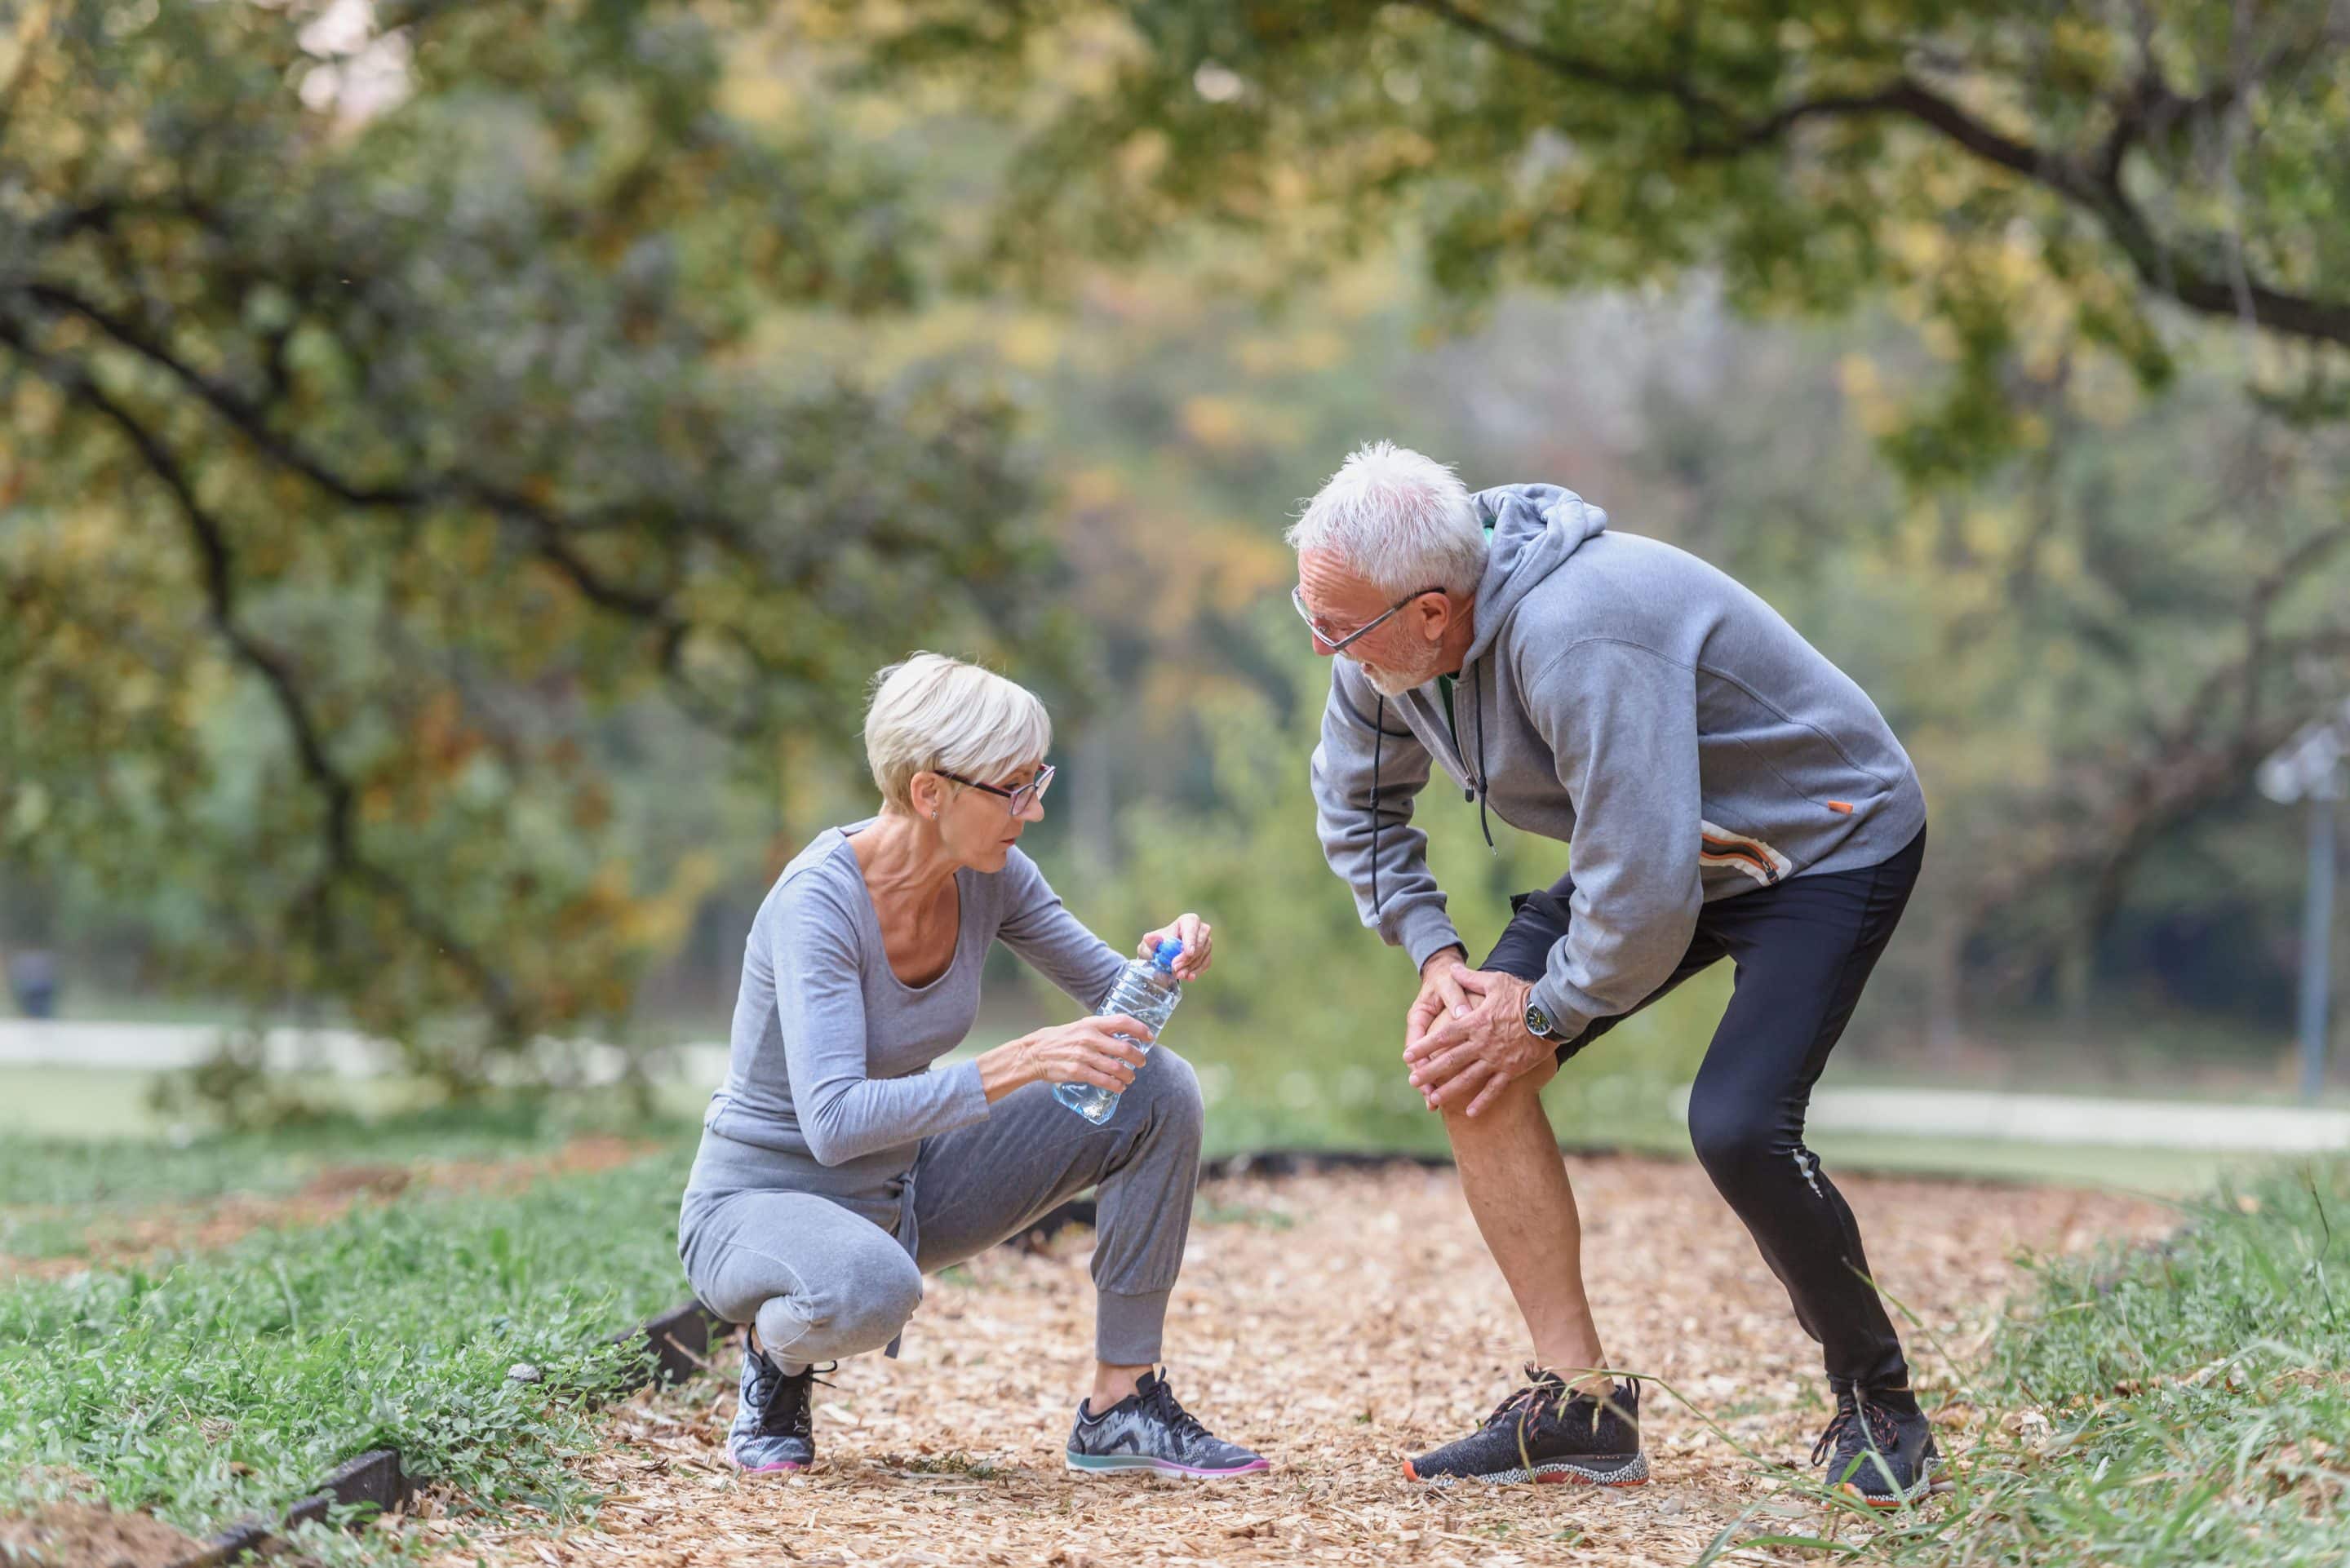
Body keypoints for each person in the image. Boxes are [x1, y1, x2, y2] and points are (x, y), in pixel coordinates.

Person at [1295, 443, 1939, 1504]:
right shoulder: (1376, 650)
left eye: (1340, 625)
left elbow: (1640, 891)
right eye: (1310, 613)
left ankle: (1882, 1406)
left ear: (1430, 612)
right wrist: (1440, 960)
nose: (1323, 644)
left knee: (1738, 1125)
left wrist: (1541, 1012)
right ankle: (1581, 1406)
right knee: (1468, 1059)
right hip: (1669, 845)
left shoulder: (1576, 629)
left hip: (1826, 836)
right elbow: (1359, 811)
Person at [680, 653, 1267, 1479]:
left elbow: (1111, 996)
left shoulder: (991, 874)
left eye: (1038, 782)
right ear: (931, 792)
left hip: (904, 1190)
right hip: (765, 1200)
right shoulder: (817, 901)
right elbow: (835, 1120)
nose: (1030, 810)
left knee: (1157, 1083)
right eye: (1012, 788)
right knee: (874, 1287)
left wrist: (1163, 961)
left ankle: (1121, 1403)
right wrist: (1024, 1057)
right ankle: (777, 1363)